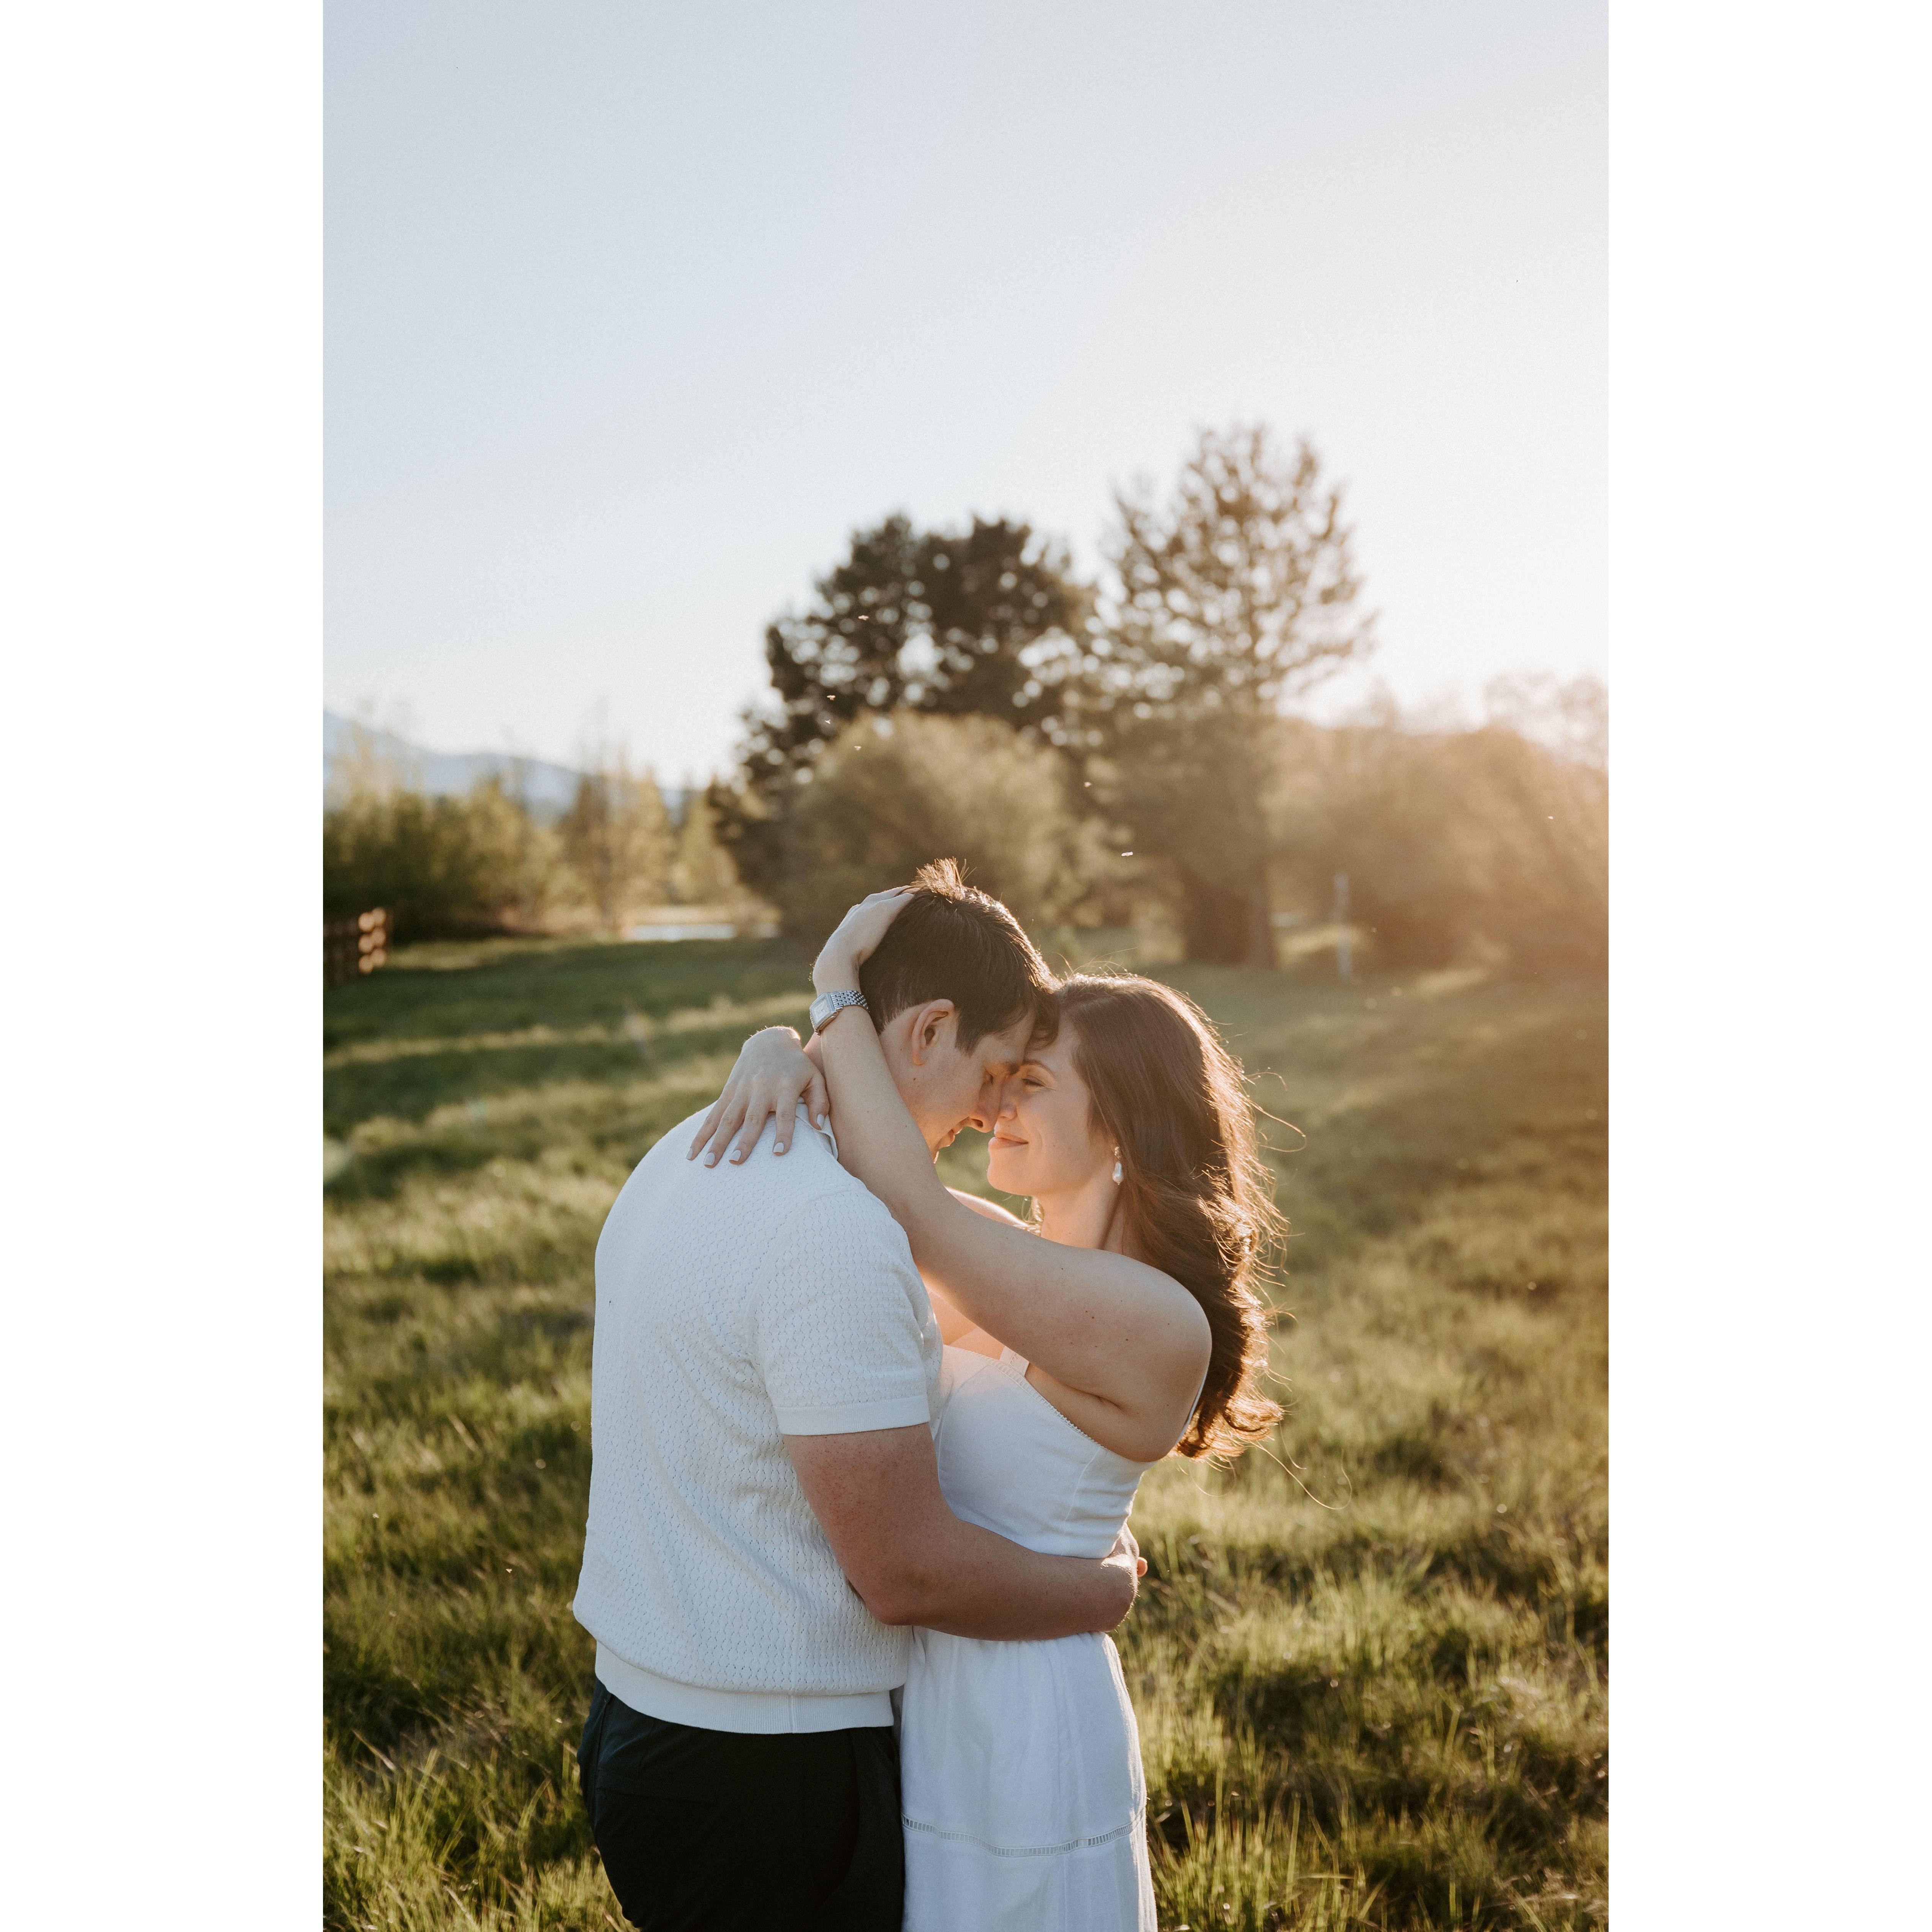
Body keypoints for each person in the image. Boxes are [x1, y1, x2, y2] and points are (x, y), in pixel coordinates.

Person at [692, 886, 1284, 1932]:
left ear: (1123, 1128)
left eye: (1031, 1083)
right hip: (930, 1701)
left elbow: (904, 1203)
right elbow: (853, 1170)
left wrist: (836, 987)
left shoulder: (1157, 1322)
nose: (994, 1107)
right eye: (1002, 1077)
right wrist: (774, 1050)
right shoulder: (1023, 1273)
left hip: (1025, 1723)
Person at [571, 863, 1146, 1932]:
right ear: (927, 1033)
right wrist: (1100, 1595)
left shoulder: (684, 1151)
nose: (990, 1115)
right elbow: (905, 1569)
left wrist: (787, 1041)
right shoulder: (833, 1232)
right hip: (764, 1770)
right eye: (994, 1072)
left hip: (637, 1718)